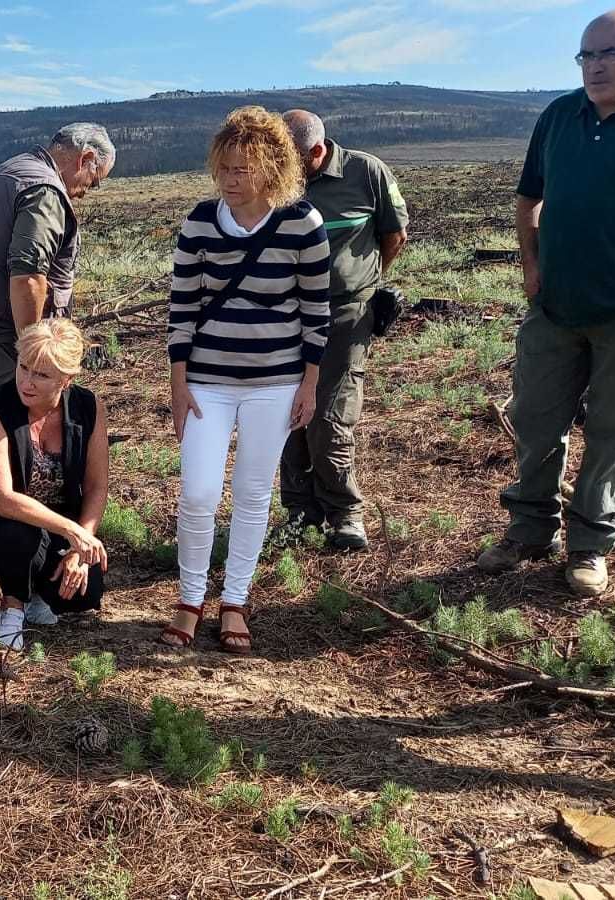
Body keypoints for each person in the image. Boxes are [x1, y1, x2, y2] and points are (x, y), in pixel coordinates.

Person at [479, 7, 615, 597]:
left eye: (608, 54)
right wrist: (531, 265)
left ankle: (590, 543)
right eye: (586, 55)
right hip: (556, 309)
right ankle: (529, 529)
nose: (593, 67)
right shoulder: (559, 116)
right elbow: (529, 200)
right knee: (535, 421)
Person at [163, 106, 330, 654]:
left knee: (254, 494)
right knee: (198, 493)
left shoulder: (302, 223)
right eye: (224, 169)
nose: (230, 180)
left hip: (275, 382)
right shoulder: (199, 222)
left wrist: (309, 383)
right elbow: (182, 308)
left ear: (273, 168)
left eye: (243, 169)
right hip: (206, 381)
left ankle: (235, 599)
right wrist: (178, 382)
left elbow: (316, 310)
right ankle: (190, 598)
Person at [278, 109, 409, 551]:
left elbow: (394, 235)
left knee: (329, 415)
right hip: (286, 314)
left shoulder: (365, 172)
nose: (282, 165)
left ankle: (345, 512)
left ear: (316, 150)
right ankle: (300, 513)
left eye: (291, 157)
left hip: (345, 313)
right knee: (286, 415)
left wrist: (363, 285)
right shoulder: (276, 178)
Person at [0, 318, 109, 649]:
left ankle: (37, 595)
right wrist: (72, 532)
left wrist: (82, 543)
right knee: (18, 532)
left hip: (52, 520)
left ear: (67, 379)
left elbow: (96, 487)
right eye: (23, 367)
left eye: (41, 375)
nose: (26, 382)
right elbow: (1, 499)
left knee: (86, 590)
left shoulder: (89, 408)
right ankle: (12, 607)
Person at [0, 123, 115, 402]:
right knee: (13, 420)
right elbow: (29, 279)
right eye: (93, 181)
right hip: (1, 337)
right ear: (85, 158)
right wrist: (32, 358)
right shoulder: (44, 192)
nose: (87, 191)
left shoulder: (11, 169)